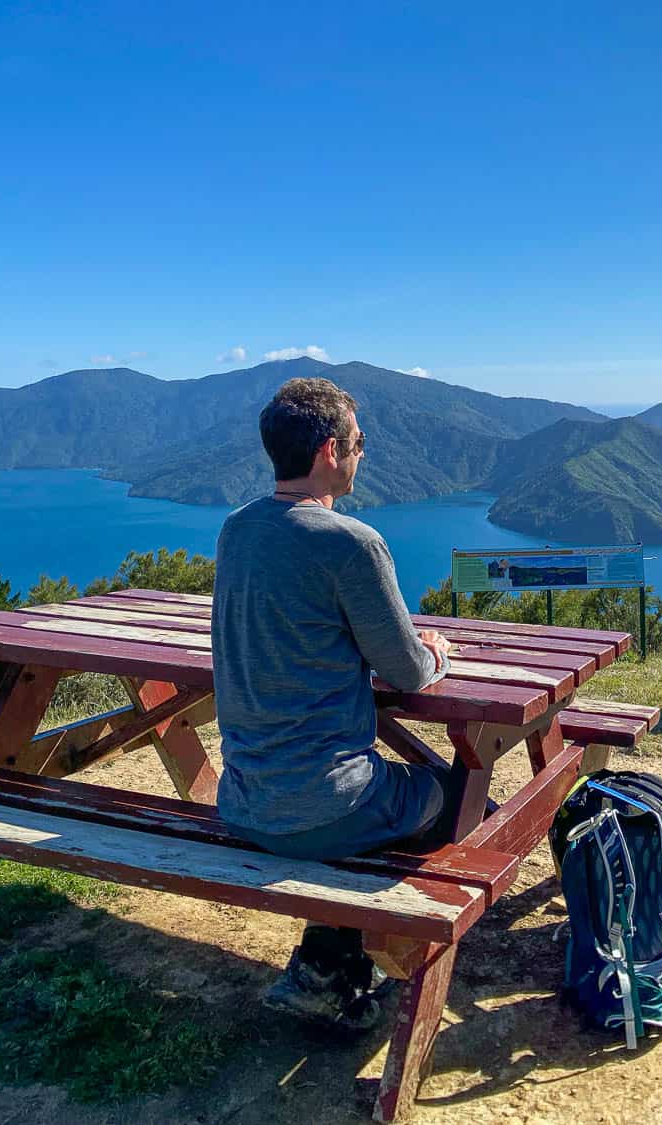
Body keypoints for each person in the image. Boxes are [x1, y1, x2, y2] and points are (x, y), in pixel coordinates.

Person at [212, 376, 454, 1030]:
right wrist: (437, 649)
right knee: (461, 802)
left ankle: (326, 966)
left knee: (366, 801)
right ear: (329, 451)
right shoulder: (350, 543)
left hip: (240, 801)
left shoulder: (237, 531)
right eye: (358, 441)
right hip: (322, 807)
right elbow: (406, 671)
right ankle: (362, 960)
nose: (363, 452)